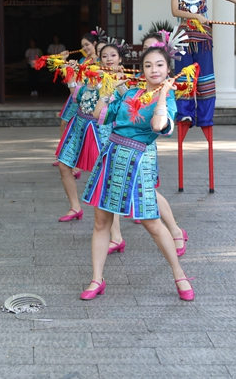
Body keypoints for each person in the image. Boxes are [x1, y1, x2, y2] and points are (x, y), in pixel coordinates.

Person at [80, 46, 194, 301]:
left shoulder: (171, 100)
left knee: (151, 222)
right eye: (148, 65)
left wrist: (163, 95)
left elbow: (157, 125)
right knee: (101, 223)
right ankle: (96, 279)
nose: (154, 70)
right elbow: (99, 116)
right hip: (111, 157)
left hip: (138, 161)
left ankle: (179, 274)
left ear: (168, 69)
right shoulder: (130, 91)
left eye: (160, 65)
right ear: (142, 70)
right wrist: (107, 89)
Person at [55, 41, 123, 222]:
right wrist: (70, 73)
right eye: (105, 56)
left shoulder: (121, 80)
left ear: (120, 59)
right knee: (63, 165)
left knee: (103, 175)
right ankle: (75, 207)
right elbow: (76, 96)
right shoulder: (91, 76)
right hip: (78, 125)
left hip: (100, 131)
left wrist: (115, 84)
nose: (109, 59)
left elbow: (120, 105)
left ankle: (114, 229)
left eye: (113, 55)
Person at [54, 33, 99, 168]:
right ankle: (65, 157)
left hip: (86, 101)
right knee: (64, 125)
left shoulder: (99, 62)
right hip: (76, 96)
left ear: (95, 44)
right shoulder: (82, 61)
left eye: (87, 45)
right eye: (83, 46)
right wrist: (64, 63)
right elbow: (72, 80)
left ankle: (73, 163)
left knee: (77, 131)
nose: (85, 48)